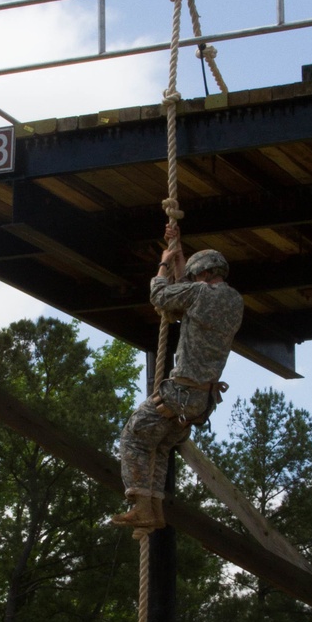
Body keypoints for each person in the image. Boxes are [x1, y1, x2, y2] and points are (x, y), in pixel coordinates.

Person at [112, 224, 243, 531]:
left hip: (180, 393)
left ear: (205, 274)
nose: (194, 280)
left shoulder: (198, 292)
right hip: (201, 403)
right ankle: (153, 509)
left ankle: (143, 505)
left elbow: (160, 295)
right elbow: (191, 292)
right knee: (159, 446)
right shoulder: (234, 301)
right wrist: (179, 253)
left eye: (196, 275)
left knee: (134, 437)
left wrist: (163, 263)